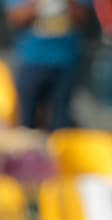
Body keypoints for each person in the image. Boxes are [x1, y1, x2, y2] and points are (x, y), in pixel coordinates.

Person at [4, 0, 90, 129]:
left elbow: (84, 17)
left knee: (61, 122)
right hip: (31, 63)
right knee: (25, 121)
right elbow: (15, 18)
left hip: (66, 63)